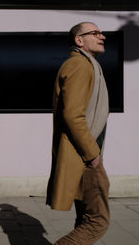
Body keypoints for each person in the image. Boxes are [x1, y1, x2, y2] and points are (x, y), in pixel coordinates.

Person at [46, 22, 110, 244]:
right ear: (79, 40)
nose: (101, 36)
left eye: (101, 32)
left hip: (86, 155)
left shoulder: (87, 64)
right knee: (98, 221)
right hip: (86, 157)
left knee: (85, 219)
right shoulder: (79, 65)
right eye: (95, 33)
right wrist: (93, 156)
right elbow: (73, 115)